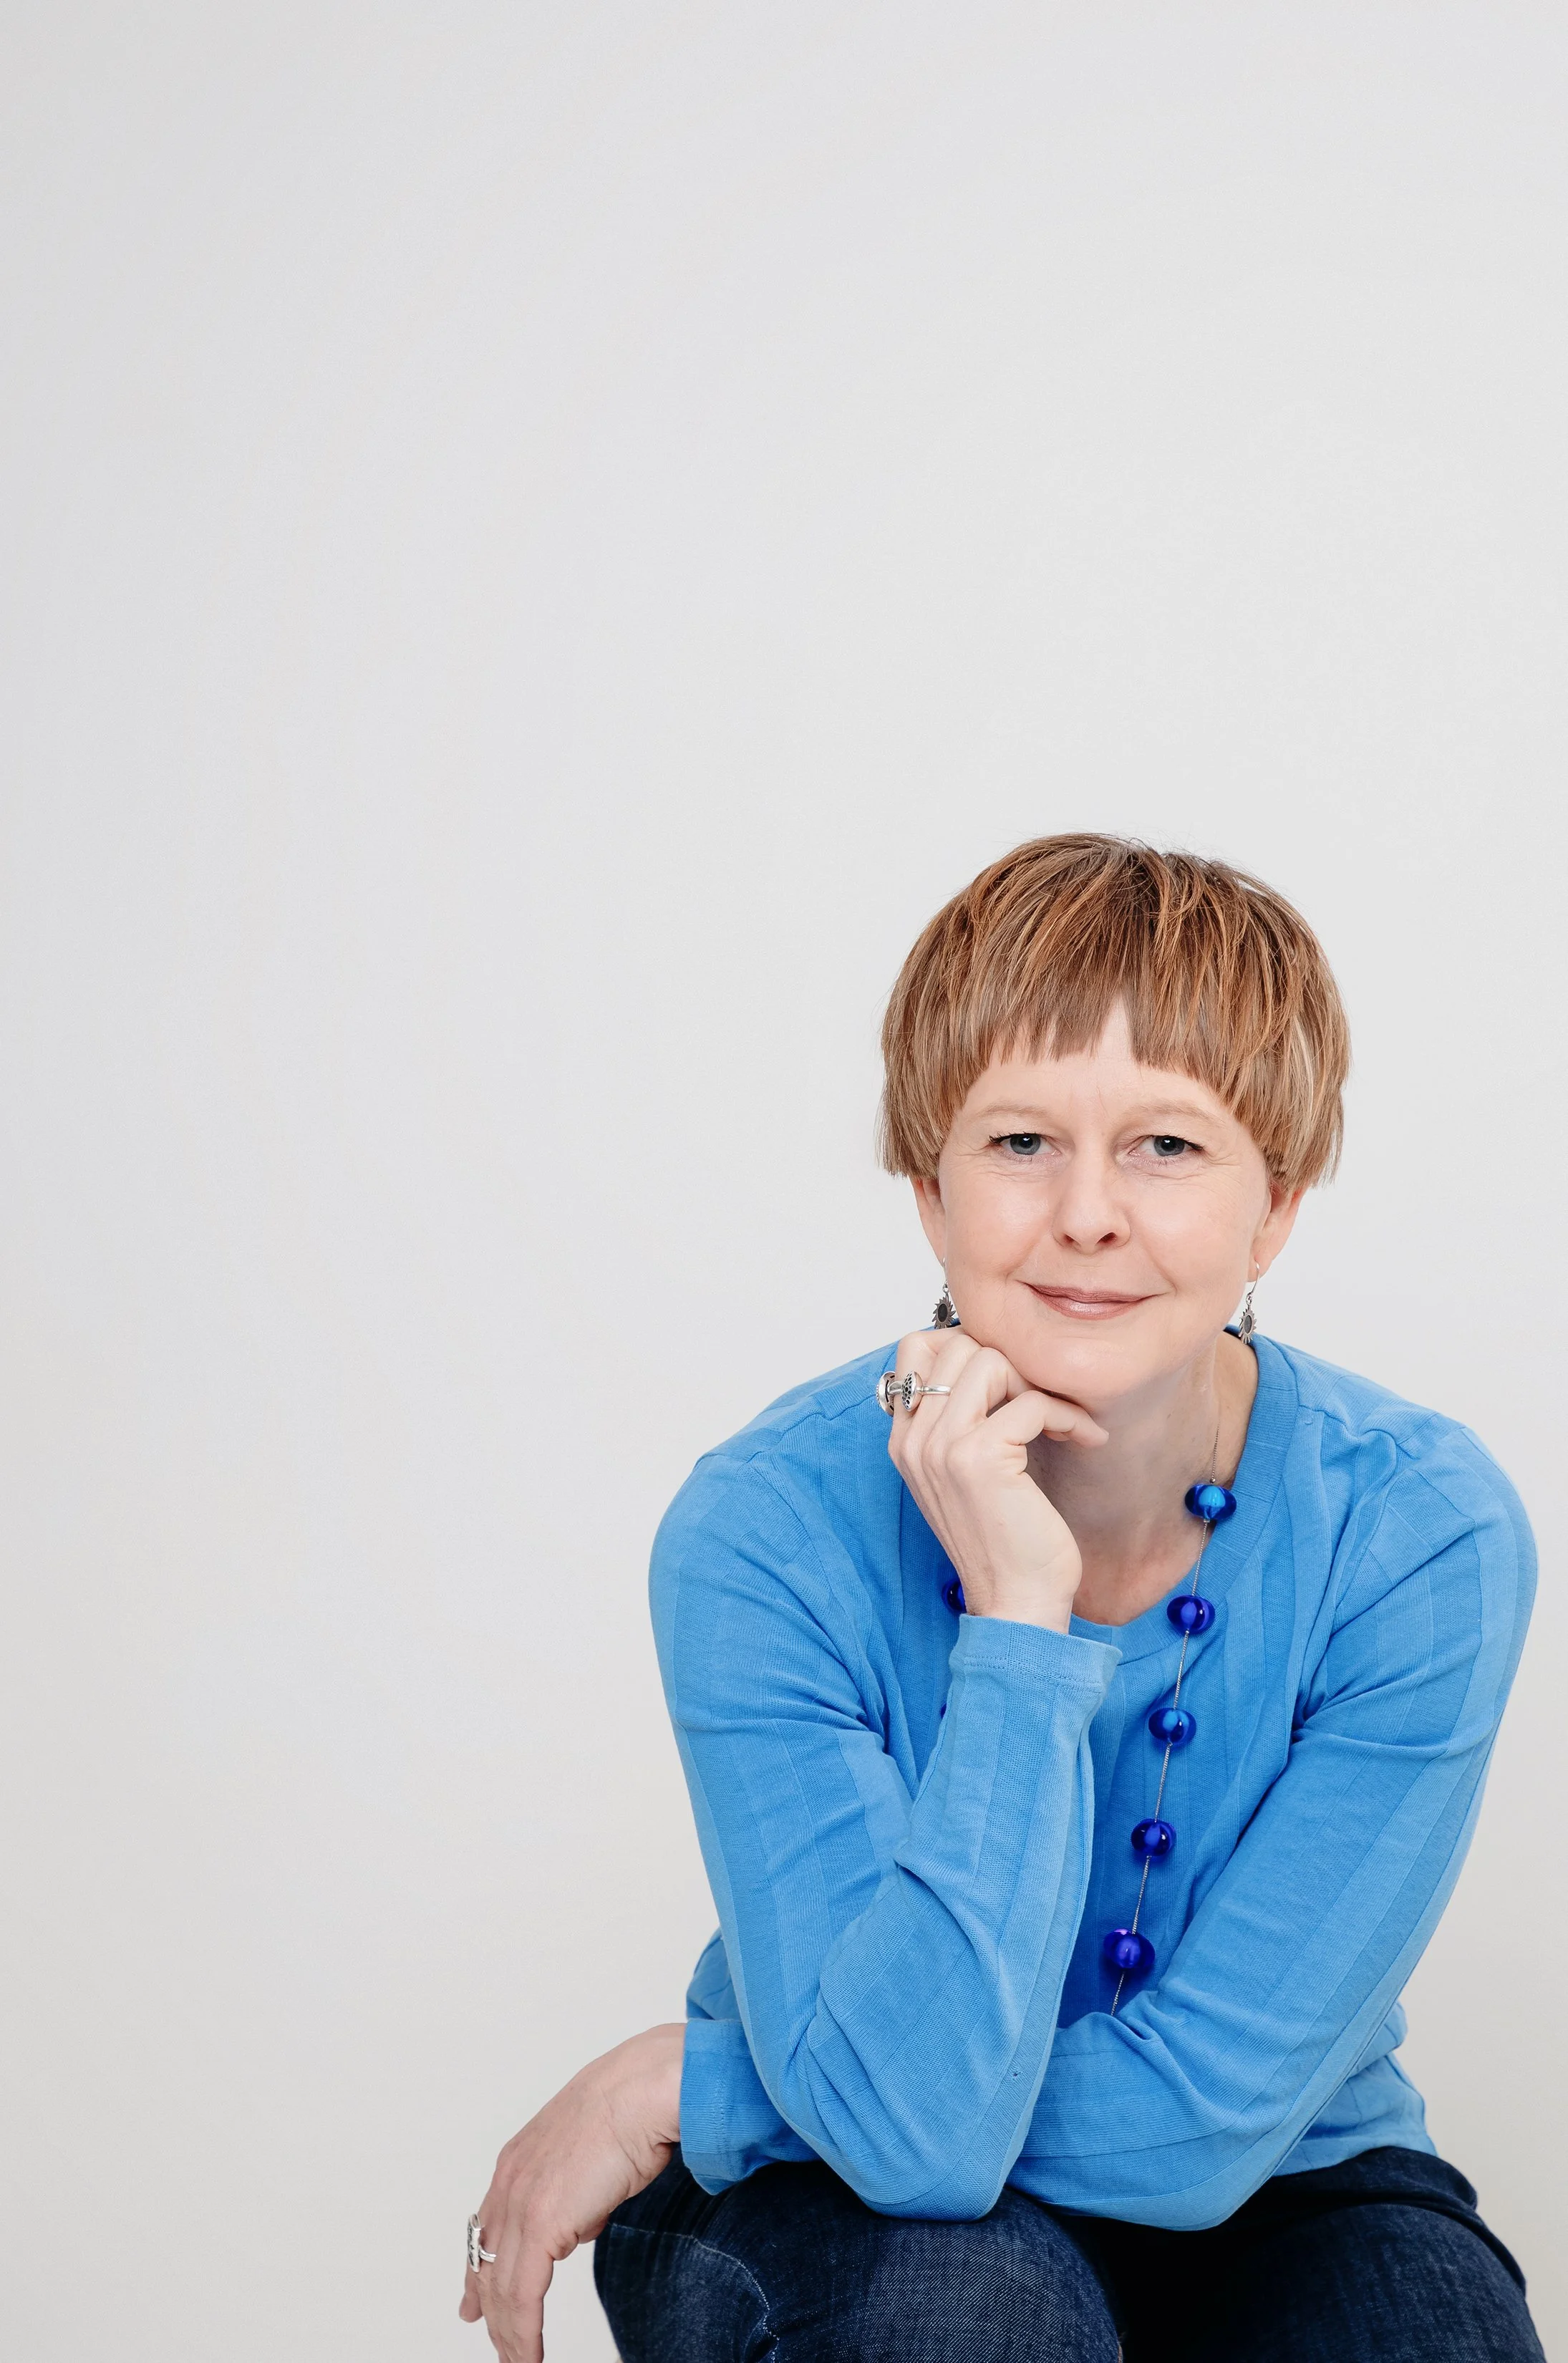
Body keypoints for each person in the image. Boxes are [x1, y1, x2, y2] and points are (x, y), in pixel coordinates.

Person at [460, 836, 1542, 2363]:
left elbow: (1203, 2129)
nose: (1087, 1216)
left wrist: (698, 2090)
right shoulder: (764, 1530)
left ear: (1277, 1204)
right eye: (1022, 1141)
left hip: (1280, 2172)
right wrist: (1020, 1613)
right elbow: (909, 2141)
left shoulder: (1422, 1533)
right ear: (928, 1189)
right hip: (840, 2181)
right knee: (963, 2319)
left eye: (1168, 1148)